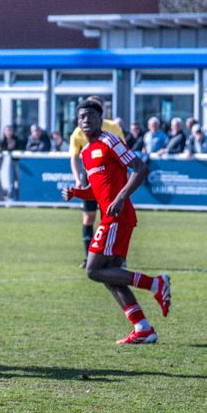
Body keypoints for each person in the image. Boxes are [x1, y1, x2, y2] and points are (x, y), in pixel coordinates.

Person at [61, 99, 170, 344]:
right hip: (111, 216)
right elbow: (97, 191)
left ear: (101, 119)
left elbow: (140, 169)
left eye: (90, 116)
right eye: (81, 117)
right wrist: (76, 193)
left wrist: (121, 198)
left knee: (93, 270)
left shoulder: (110, 141)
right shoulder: (87, 153)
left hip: (118, 217)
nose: (85, 120)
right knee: (110, 275)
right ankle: (143, 328)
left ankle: (156, 283)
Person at [69, 96, 124, 267]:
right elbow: (74, 157)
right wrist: (78, 179)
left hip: (110, 178)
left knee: (112, 217)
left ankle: (117, 257)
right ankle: (89, 257)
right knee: (89, 217)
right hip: (90, 176)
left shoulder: (113, 128)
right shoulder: (79, 131)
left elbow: (124, 153)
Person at [0, 124, 21, 200]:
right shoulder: (3, 140)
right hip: (11, 162)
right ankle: (11, 198)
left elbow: (11, 148)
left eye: (10, 131)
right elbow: (1, 147)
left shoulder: (17, 139)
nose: (8, 133)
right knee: (11, 180)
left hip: (19, 162)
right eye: (7, 131)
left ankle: (20, 197)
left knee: (20, 180)